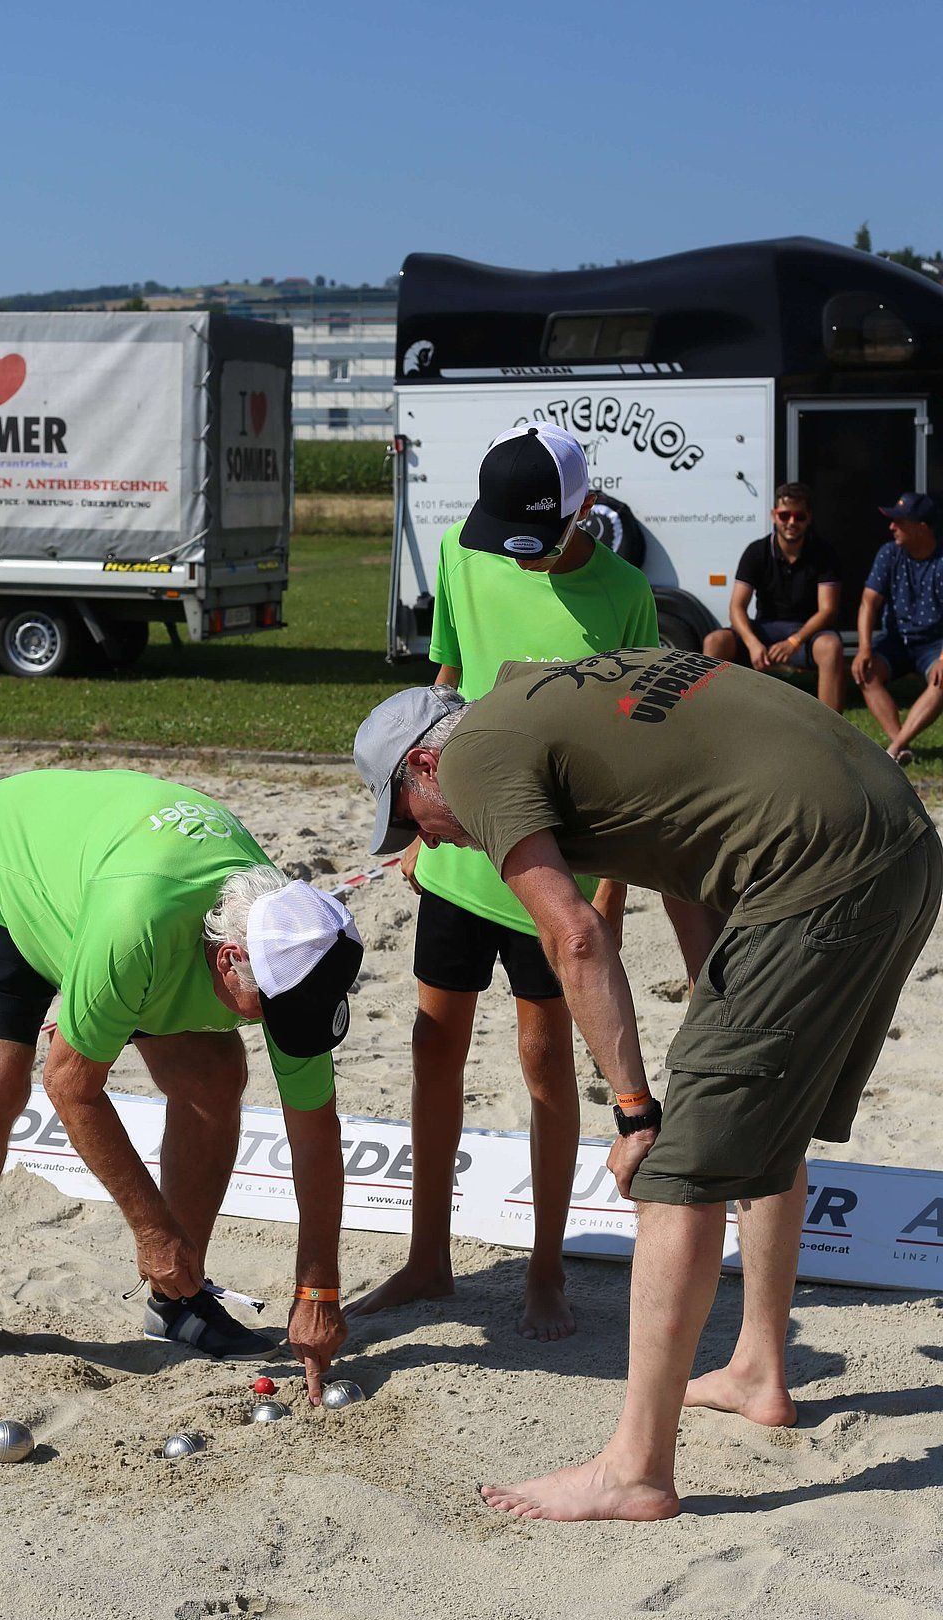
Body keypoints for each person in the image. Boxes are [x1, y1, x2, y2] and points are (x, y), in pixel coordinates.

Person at [354, 653, 940, 1521]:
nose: (429, 842)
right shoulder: (544, 697)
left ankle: (636, 1469)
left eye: (414, 820)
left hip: (817, 868)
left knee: (676, 1172)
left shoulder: (474, 757)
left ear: (427, 766)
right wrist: (723, 1013)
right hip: (895, 836)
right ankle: (758, 1370)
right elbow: (685, 848)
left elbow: (578, 939)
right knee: (754, 1122)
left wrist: (635, 1113)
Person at [0, 768, 362, 1404]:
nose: (280, 1029)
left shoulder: (293, 944)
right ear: (230, 960)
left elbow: (315, 1134)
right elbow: (69, 1086)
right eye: (270, 1008)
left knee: (214, 1074)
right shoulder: (137, 929)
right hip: (8, 868)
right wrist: (153, 1229)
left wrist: (317, 1292)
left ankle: (178, 1303)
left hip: (111, 889)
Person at [352, 424, 657, 1340]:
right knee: (430, 1053)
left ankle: (548, 1268)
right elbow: (445, 685)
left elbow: (632, 752)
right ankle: (426, 1260)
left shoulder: (625, 594)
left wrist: (606, 893)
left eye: (538, 535)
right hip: (456, 850)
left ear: (584, 510)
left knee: (542, 1064)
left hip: (554, 867)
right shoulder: (460, 547)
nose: (513, 555)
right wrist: (416, 821)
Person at [702, 482, 845, 710]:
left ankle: (832, 736)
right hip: (764, 629)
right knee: (715, 641)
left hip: (806, 633)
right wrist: (753, 644)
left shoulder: (824, 553)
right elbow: (736, 607)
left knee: (831, 646)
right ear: (773, 515)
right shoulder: (756, 551)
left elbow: (827, 610)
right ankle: (712, 717)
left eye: (799, 516)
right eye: (785, 515)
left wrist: (794, 641)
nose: (791, 522)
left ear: (809, 518)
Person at [853, 491, 943, 763]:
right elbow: (868, 602)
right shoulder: (889, 553)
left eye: (899, 521)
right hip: (896, 639)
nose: (891, 527)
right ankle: (900, 747)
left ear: (922, 527)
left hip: (934, 643)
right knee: (865, 670)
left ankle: (895, 748)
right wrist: (864, 648)